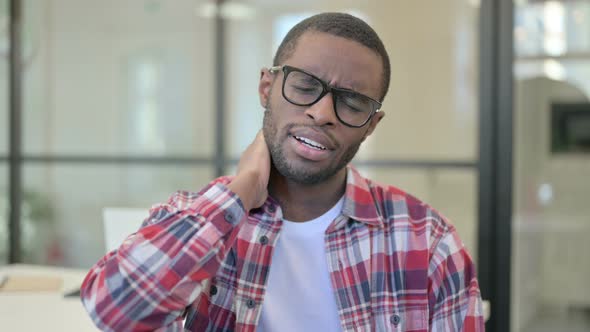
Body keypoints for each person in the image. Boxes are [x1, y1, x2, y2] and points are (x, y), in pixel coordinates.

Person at [81, 12, 484, 332]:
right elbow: (114, 311)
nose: (322, 113)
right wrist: (240, 192)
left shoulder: (426, 240)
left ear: (372, 124)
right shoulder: (199, 218)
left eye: (352, 102)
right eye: (305, 86)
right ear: (265, 88)